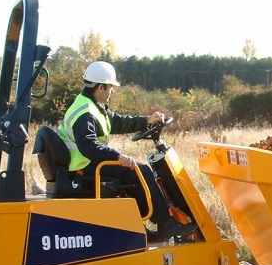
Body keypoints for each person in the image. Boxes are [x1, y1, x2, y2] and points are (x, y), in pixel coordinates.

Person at [57, 60, 197, 241]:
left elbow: (117, 121)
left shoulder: (91, 105)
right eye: (110, 87)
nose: (112, 91)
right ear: (100, 87)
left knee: (132, 173)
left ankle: (139, 228)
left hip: (86, 162)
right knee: (141, 171)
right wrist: (117, 156)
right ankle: (166, 223)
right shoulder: (86, 112)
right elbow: (88, 146)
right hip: (84, 166)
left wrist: (147, 120)